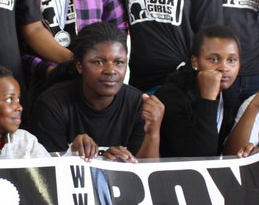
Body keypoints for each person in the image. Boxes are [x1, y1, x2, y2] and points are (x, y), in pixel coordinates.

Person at [31, 22, 164, 162]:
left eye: (119, 62)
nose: (111, 70)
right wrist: (75, 156)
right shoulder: (52, 104)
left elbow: (147, 173)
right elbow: (48, 174)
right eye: (99, 62)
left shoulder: (138, 104)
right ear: (80, 66)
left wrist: (153, 132)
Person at [156, 25, 243, 158]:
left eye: (231, 60)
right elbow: (199, 156)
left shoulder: (228, 95)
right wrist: (208, 98)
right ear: (195, 62)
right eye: (213, 59)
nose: (224, 67)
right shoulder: (172, 96)